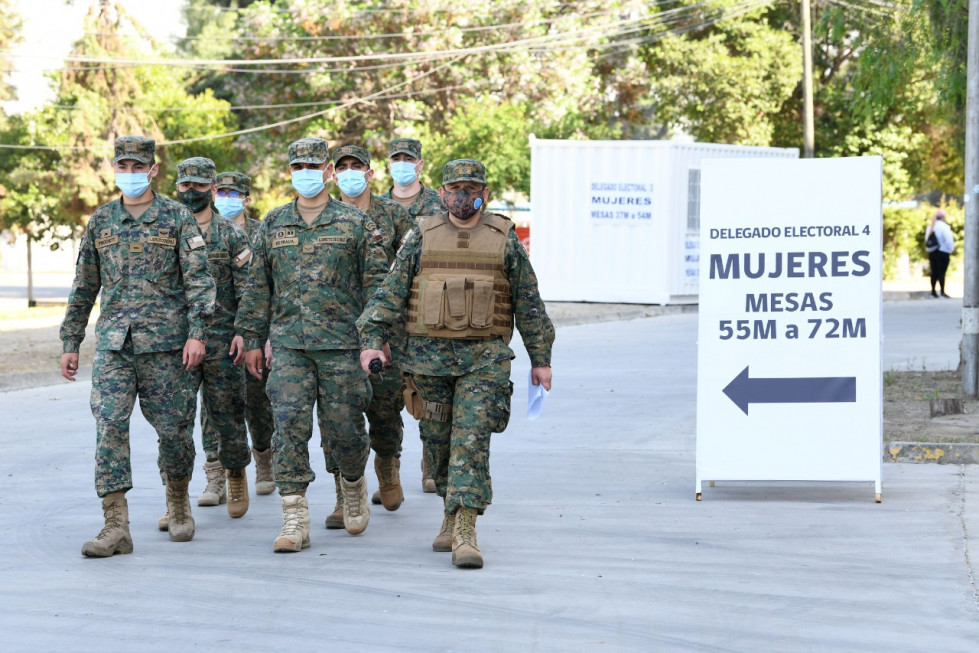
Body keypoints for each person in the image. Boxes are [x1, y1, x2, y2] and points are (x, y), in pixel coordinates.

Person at [358, 159, 555, 569]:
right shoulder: (422, 235)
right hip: (429, 364)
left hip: (484, 361)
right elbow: (389, 293)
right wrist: (372, 340)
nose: (463, 197)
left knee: (470, 441)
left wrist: (541, 358)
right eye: (455, 189)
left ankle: (466, 529)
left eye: (472, 189)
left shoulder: (504, 238)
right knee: (439, 442)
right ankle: (450, 513)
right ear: (442, 192)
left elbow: (529, 303)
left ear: (484, 193)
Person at [60, 136, 216, 556]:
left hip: (167, 346)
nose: (128, 174)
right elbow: (84, 286)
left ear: (152, 170)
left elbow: (199, 282)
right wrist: (71, 340)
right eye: (122, 166)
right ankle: (116, 525)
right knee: (109, 425)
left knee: (174, 431)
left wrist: (197, 333)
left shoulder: (177, 218)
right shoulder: (102, 221)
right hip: (115, 346)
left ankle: (179, 501)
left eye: (136, 166)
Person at [235, 137, 388, 553]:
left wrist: (373, 340)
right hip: (288, 347)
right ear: (290, 171)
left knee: (345, 431)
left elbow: (377, 288)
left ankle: (353, 483)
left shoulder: (354, 223)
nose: (306, 172)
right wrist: (251, 339)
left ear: (328, 171)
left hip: (342, 347)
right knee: (288, 428)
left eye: (313, 165)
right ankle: (294, 517)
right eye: (298, 165)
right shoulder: (273, 223)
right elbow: (257, 288)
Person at [156, 157, 252, 529]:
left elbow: (248, 290)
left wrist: (245, 332)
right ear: (176, 187)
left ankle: (235, 473)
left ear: (212, 189)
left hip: (221, 342)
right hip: (172, 343)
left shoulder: (230, 234)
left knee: (227, 418)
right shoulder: (163, 229)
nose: (191, 192)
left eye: (199, 186)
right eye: (185, 186)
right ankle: (175, 497)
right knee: (173, 424)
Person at [327, 144, 414, 523]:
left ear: (370, 173)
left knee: (383, 410)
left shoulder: (393, 215)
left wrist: (395, 333)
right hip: (331, 334)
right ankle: (344, 494)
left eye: (355, 166)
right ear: (332, 173)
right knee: (335, 418)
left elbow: (411, 273)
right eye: (342, 166)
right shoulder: (321, 217)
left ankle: (387, 467)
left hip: (383, 332)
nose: (349, 172)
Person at [380, 137, 447, 493]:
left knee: (429, 390)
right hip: (391, 312)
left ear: (420, 164)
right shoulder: (376, 206)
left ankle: (432, 462)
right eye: (396, 159)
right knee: (388, 394)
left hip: (428, 310)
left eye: (409, 159)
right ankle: (389, 469)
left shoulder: (439, 203)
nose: (402, 164)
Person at [214, 170, 275, 496]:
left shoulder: (261, 232)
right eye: (221, 192)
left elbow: (270, 286)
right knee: (215, 407)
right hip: (215, 332)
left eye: (233, 193)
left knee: (257, 403)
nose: (226, 198)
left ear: (247, 199)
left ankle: (264, 458)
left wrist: (264, 334)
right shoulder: (198, 232)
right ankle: (217, 472)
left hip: (253, 332)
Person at [925, 209, 955, 298]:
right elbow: (949, 240)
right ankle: (942, 292)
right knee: (942, 272)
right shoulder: (944, 227)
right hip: (943, 252)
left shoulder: (930, 226)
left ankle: (933, 292)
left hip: (932, 252)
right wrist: (951, 249)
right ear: (943, 217)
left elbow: (927, 240)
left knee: (934, 272)